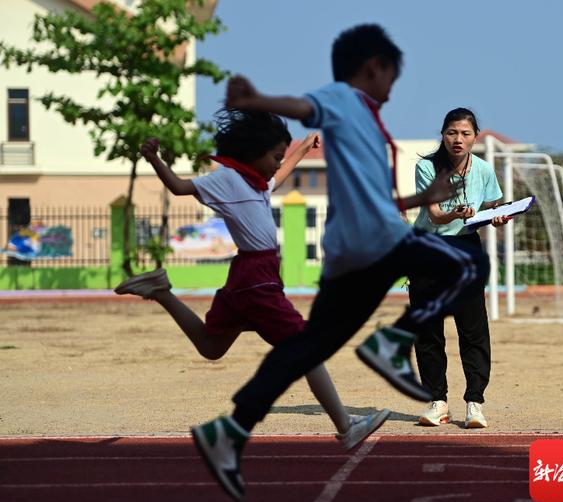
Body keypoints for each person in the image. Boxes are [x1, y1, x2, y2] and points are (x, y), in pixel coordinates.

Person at [190, 24, 490, 501]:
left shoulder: (367, 119)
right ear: (370, 68)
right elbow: (307, 108)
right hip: (363, 245)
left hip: (364, 240)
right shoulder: (345, 101)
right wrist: (255, 101)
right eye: (391, 74)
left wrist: (418, 195)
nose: (394, 86)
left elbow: (379, 197)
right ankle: (388, 347)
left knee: (310, 343)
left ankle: (232, 429)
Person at [113, 110, 391, 451]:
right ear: (253, 153)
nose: (278, 163)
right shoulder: (226, 179)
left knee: (211, 346)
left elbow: (281, 175)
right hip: (254, 279)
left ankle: (162, 291)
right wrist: (153, 158)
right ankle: (347, 426)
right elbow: (178, 186)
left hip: (248, 277)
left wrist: (302, 150)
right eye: (275, 156)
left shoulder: (257, 180)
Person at [411, 107, 510, 429]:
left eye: (465, 133)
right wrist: (456, 213)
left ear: (475, 137)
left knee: (473, 329)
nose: (458, 139)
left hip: (466, 250)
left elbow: (493, 207)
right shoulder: (427, 167)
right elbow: (436, 214)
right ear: (443, 134)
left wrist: (500, 217)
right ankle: (437, 401)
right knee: (428, 329)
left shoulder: (483, 170)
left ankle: (475, 403)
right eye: (452, 132)